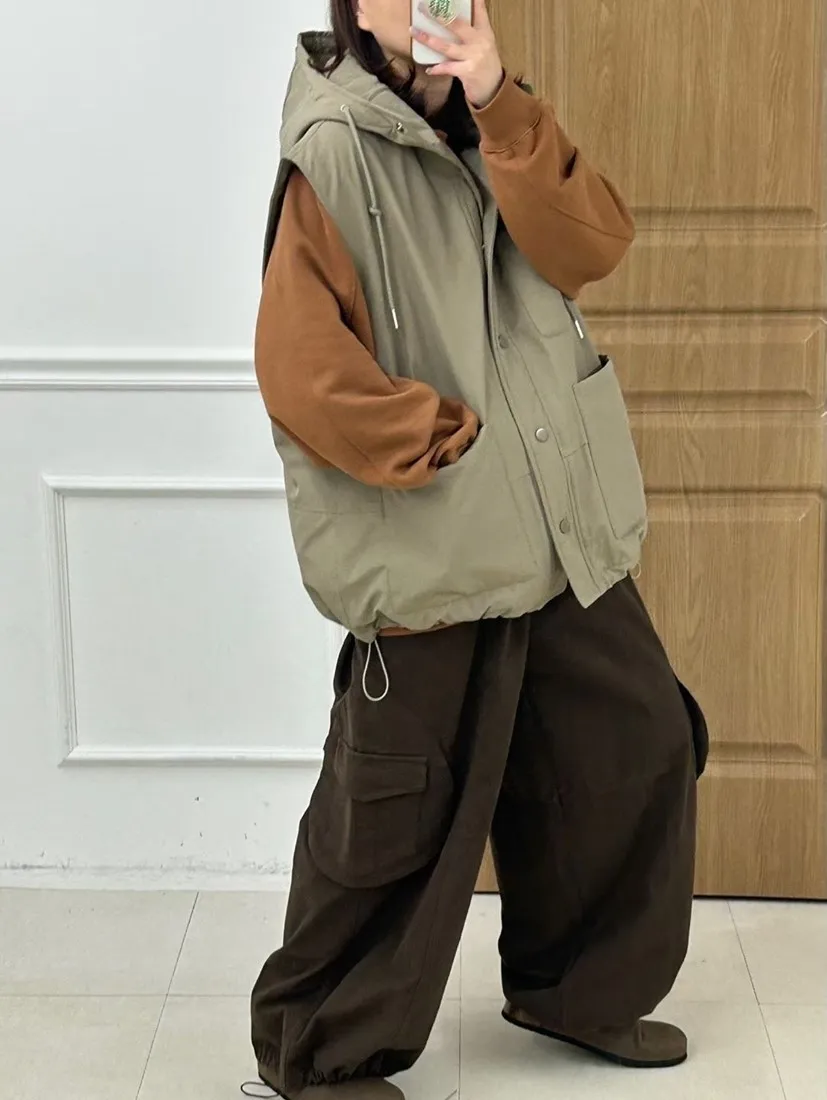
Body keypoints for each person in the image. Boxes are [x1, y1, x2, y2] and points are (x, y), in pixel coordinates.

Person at [248, 1, 708, 1097]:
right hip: (436, 536)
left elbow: (591, 246)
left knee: (628, 747)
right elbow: (297, 359)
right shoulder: (332, 150)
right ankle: (321, 1051)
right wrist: (429, 434)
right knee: (396, 806)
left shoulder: (500, 119)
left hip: (555, 523)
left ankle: (575, 991)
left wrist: (499, 103)